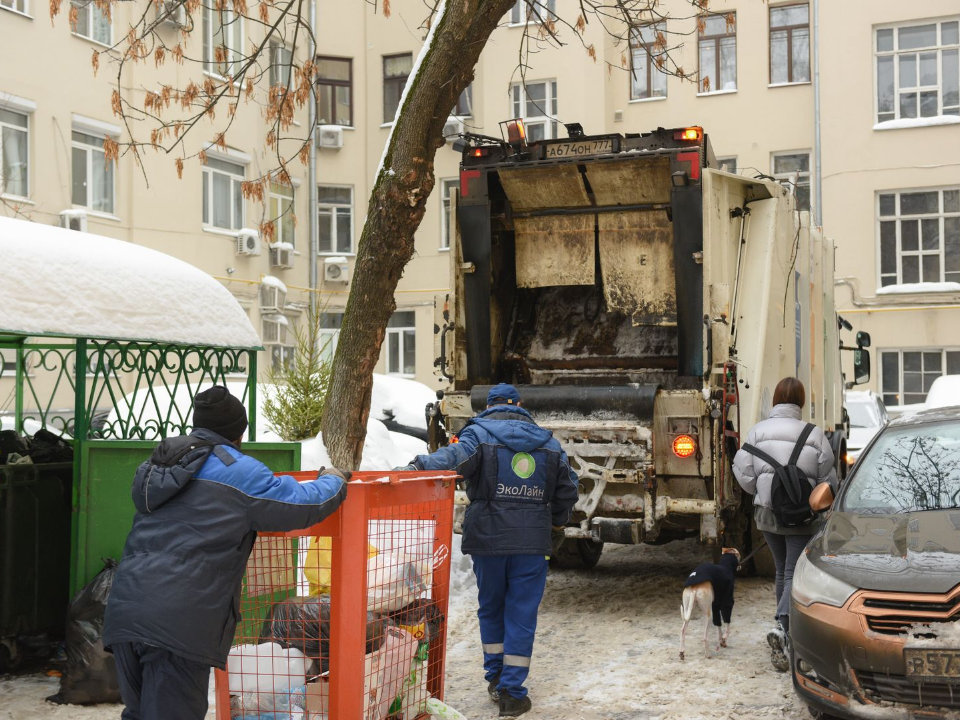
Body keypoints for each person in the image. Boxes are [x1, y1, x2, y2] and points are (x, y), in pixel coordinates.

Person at [103, 386, 348, 720]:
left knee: (139, 713)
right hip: (177, 621)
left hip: (126, 612)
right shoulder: (238, 471)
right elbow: (302, 504)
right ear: (239, 433)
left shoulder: (159, 468)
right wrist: (333, 480)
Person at [400, 383, 578, 717]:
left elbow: (450, 459)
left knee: (491, 607)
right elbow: (568, 491)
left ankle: (495, 677)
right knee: (521, 614)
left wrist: (415, 468)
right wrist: (554, 521)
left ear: (489, 406)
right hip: (531, 545)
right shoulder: (549, 444)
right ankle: (513, 693)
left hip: (488, 542)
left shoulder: (477, 436)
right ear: (520, 406)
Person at [732, 377, 836, 673]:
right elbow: (828, 480)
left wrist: (766, 493)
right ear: (801, 402)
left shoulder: (757, 432)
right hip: (802, 516)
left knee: (782, 570)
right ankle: (783, 628)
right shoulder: (814, 435)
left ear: (775, 400)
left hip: (768, 515)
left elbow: (744, 473)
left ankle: (784, 627)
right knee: (793, 571)